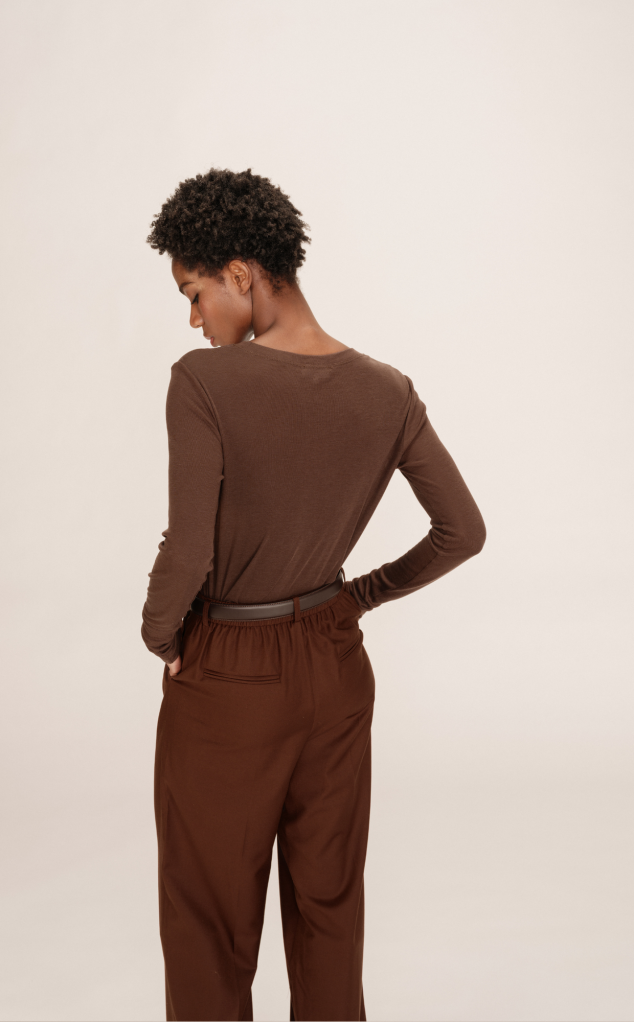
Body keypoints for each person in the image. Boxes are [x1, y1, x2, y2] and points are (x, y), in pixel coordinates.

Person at [141, 168, 486, 1022]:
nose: (194, 319)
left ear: (241, 273)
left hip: (228, 674)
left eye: (194, 293)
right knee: (330, 907)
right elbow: (462, 530)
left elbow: (189, 548)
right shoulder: (387, 390)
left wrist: (162, 635)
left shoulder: (203, 383)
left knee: (209, 920)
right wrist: (356, 597)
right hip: (335, 667)